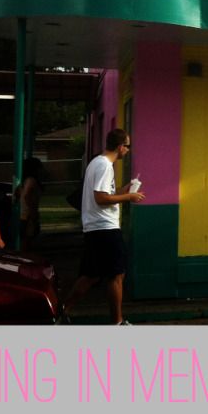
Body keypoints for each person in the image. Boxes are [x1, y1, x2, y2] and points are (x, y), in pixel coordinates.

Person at [63, 129, 144, 325]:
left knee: (91, 275)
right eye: (128, 146)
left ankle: (62, 310)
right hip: (105, 228)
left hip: (95, 228)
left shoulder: (96, 163)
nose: (128, 150)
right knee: (117, 274)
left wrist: (122, 190)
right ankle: (117, 322)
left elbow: (104, 194)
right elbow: (100, 198)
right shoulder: (105, 166)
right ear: (120, 147)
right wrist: (129, 197)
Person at [15, 157, 43, 251]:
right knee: (27, 240)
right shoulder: (31, 180)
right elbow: (26, 196)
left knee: (27, 239)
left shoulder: (25, 180)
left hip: (25, 214)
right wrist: (32, 212)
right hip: (28, 215)